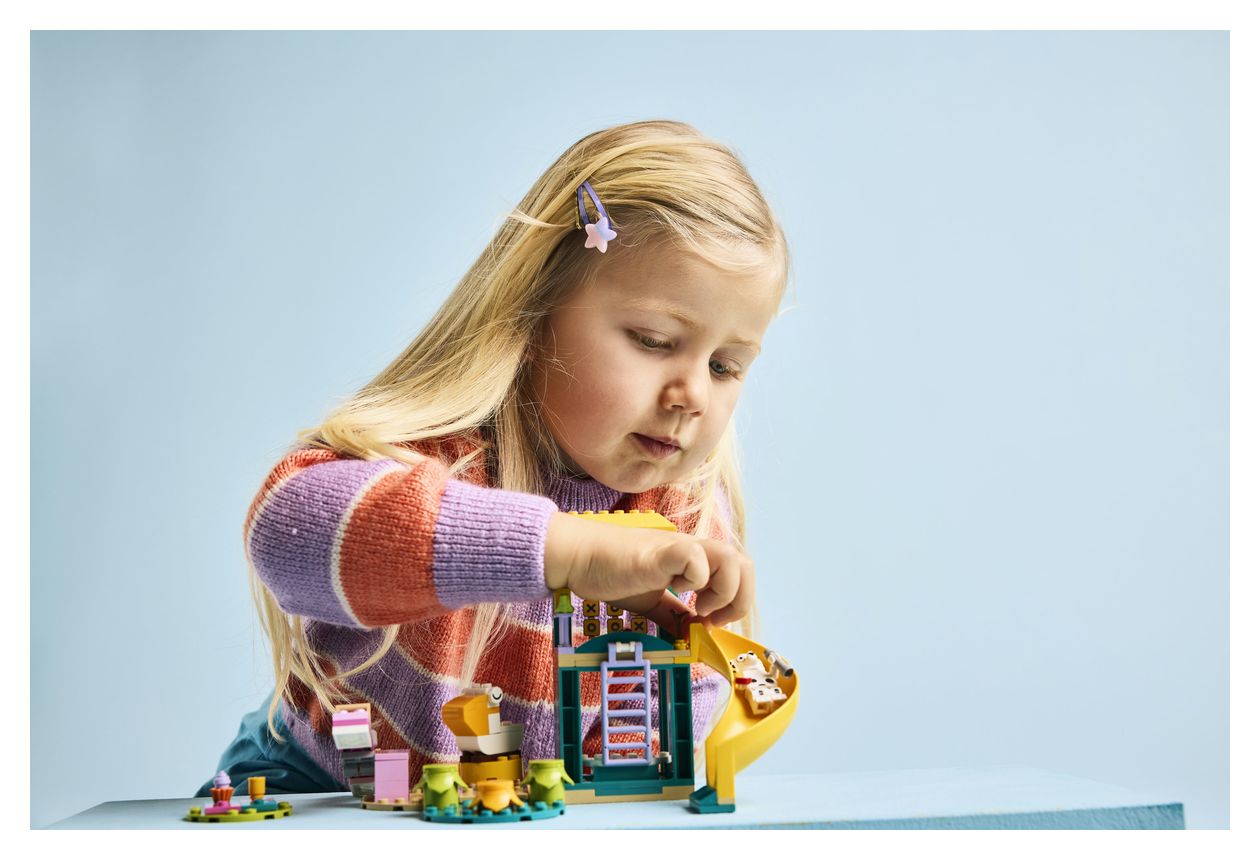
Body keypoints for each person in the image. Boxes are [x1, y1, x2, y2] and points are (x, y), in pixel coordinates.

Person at [196, 119, 791, 797]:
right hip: (319, 781)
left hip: (519, 806)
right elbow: (286, 530)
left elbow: (671, 733)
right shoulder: (444, 458)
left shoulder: (686, 515)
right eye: (654, 341)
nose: (691, 395)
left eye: (725, 365)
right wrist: (561, 550)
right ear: (535, 314)